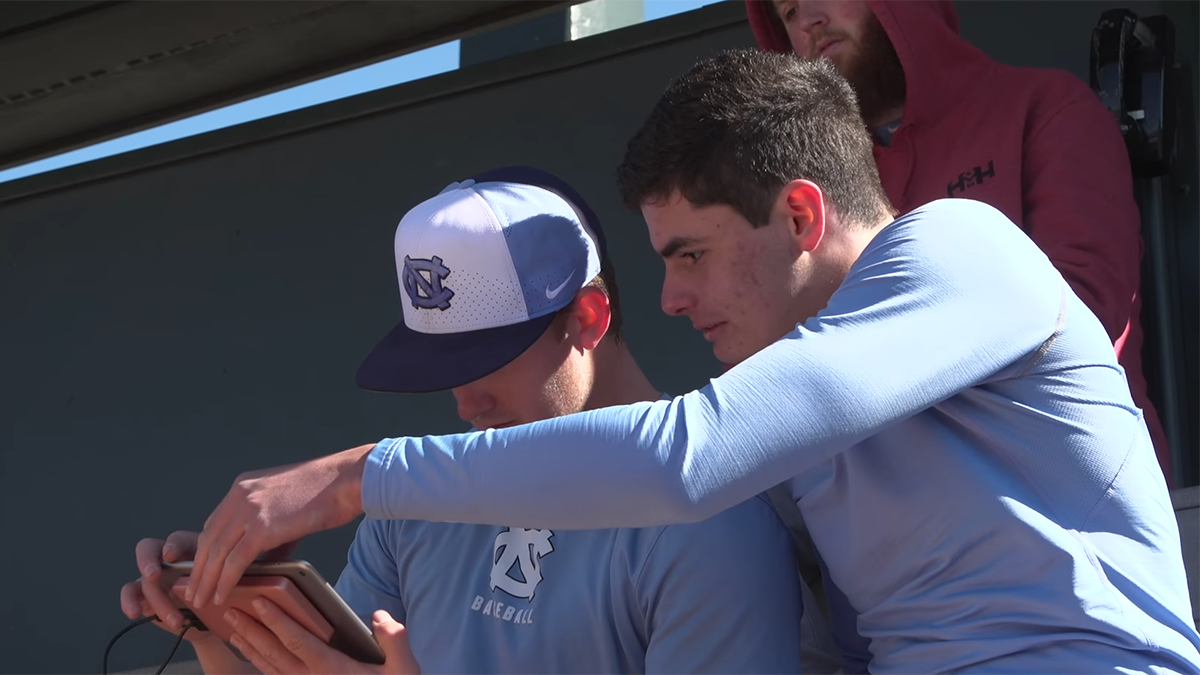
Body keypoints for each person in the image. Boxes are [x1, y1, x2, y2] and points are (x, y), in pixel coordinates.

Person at [177, 50, 1200, 675]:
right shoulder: (796, 411)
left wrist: (355, 476)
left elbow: (688, 457)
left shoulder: (962, 247)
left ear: (802, 213)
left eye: (693, 256)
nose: (669, 299)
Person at [120, 166, 819, 675]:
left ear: (586, 317)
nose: (464, 401)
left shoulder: (712, 522)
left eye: (488, 356)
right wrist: (221, 627)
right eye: (440, 365)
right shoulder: (410, 503)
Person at [744, 0, 1173, 485]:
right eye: (788, 11)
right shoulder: (808, 191)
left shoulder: (1045, 107)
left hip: (1077, 500)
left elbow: (1082, 312)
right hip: (898, 530)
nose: (808, 20)